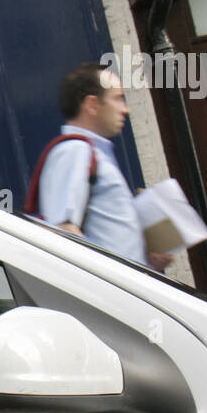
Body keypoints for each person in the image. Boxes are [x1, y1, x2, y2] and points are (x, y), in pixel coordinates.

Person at [32, 62, 173, 271]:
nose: (125, 109)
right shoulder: (75, 151)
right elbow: (62, 232)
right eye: (117, 99)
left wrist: (144, 258)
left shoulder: (92, 154)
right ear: (91, 105)